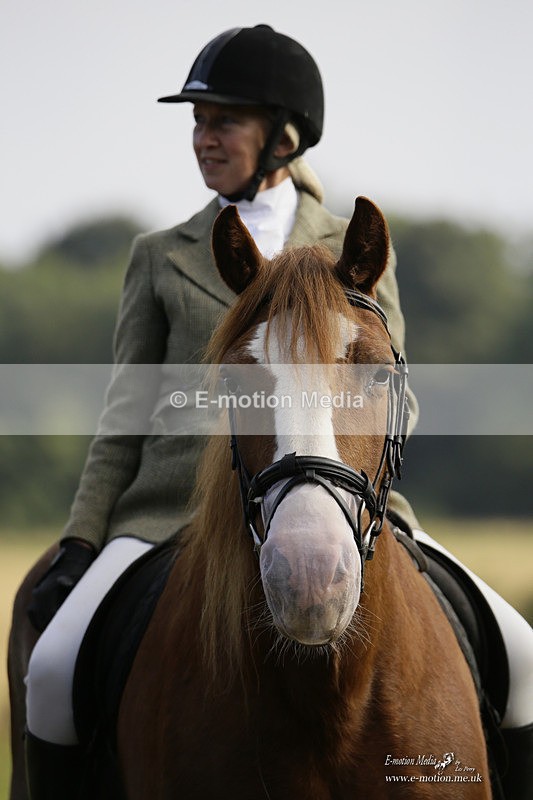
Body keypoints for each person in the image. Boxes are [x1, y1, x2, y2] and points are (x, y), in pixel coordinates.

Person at [23, 24, 532, 799]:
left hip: (350, 502)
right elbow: (123, 413)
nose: (203, 138)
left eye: (222, 120)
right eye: (197, 123)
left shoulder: (352, 246)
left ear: (282, 136)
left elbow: (399, 398)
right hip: (168, 516)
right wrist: (81, 536)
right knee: (53, 671)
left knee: (522, 657)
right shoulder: (162, 256)